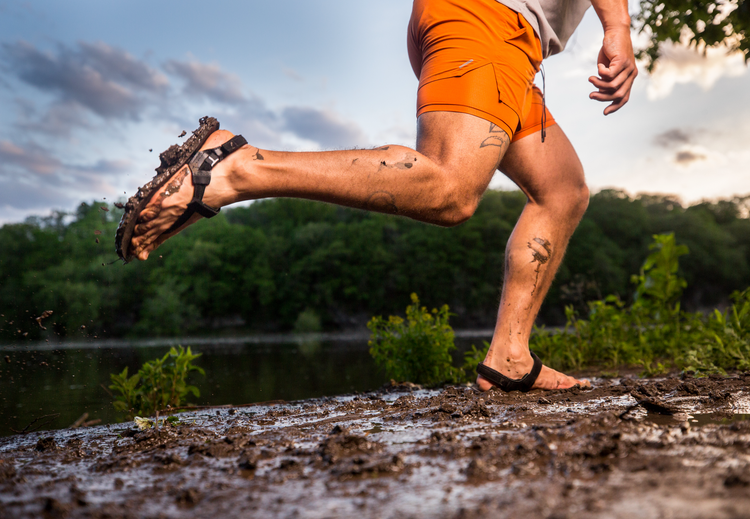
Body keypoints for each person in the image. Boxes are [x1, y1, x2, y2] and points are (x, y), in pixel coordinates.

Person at [121, 0, 637, 391]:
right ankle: (236, 168)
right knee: (451, 189)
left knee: (562, 189)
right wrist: (618, 27)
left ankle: (510, 356)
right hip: (488, 19)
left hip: (506, 41)